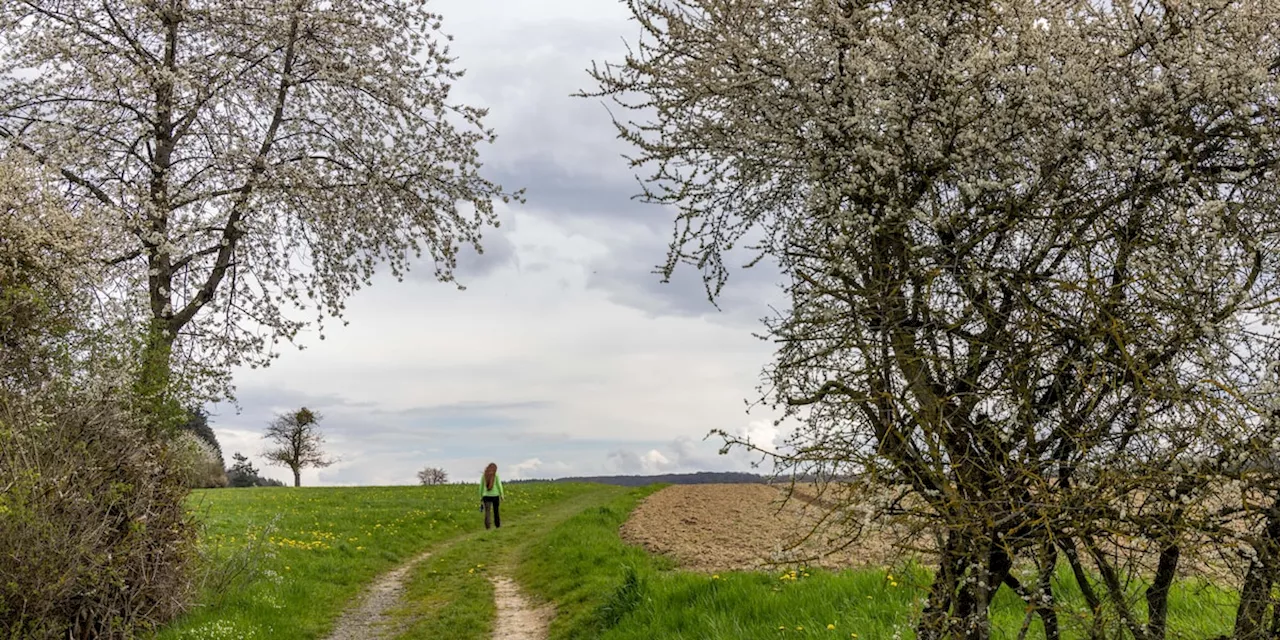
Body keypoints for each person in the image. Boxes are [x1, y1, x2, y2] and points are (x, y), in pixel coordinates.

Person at [479, 462, 504, 529]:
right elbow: (499, 485)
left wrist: (480, 496)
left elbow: (481, 486)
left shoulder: (484, 475)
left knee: (487, 512)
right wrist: (501, 494)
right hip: (495, 495)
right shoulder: (496, 475)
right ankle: (497, 525)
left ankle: (488, 527)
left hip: (486, 496)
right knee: (496, 511)